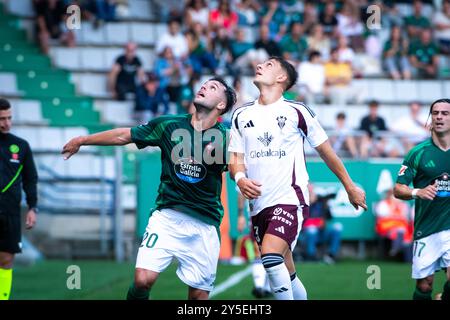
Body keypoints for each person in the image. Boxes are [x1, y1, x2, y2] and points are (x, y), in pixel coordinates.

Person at [62, 77, 237, 300]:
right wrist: (82, 139)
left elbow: (237, 168)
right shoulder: (167, 124)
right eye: (204, 84)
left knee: (198, 298)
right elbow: (123, 135)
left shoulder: (227, 138)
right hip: (167, 218)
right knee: (142, 280)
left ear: (221, 105)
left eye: (213, 87)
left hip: (204, 225)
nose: (203, 87)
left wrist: (241, 177)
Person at [228, 56, 367, 300]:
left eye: (268, 65)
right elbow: (235, 159)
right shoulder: (241, 114)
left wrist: (349, 185)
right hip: (258, 205)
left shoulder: (297, 111)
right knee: (286, 271)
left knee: (270, 258)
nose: (259, 66)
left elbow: (327, 152)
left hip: (290, 198)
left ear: (282, 78)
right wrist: (239, 178)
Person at [394, 98, 450, 301]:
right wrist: (418, 192)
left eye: (445, 113)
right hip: (426, 227)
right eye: (436, 113)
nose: (440, 117)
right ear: (430, 118)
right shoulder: (417, 153)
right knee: (425, 286)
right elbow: (398, 189)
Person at [0, 98, 38, 300]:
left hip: (10, 212)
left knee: (6, 259)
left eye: (9, 118)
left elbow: (30, 179)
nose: (6, 123)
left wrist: (33, 207)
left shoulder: (21, 146)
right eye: (1, 119)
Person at [236, 192, 272, 298]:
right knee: (259, 249)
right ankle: (260, 286)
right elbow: (241, 191)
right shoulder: (247, 174)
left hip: (277, 212)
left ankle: (266, 287)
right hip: (257, 213)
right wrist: (241, 215)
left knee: (273, 251)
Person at [301, 184, 343, 264]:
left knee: (337, 227)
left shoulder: (321, 203)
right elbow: (302, 222)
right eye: (308, 192)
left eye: (311, 191)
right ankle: (311, 255)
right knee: (312, 230)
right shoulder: (302, 203)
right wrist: (310, 204)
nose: (310, 194)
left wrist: (326, 205)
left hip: (322, 233)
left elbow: (329, 217)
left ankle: (331, 255)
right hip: (306, 235)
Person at [375, 188, 413, 262]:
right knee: (400, 231)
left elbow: (406, 217)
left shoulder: (404, 205)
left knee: (406, 236)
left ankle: (400, 251)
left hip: (402, 228)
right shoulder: (383, 204)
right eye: (393, 195)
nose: (395, 197)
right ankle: (396, 248)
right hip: (386, 227)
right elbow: (382, 215)